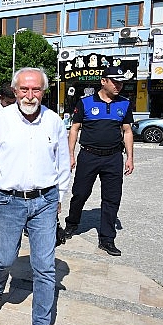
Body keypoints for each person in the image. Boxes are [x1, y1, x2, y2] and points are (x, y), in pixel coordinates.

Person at [0, 68, 70, 325]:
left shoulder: (53, 121)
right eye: (25, 90)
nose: (30, 96)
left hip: (45, 201)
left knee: (44, 266)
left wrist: (59, 196)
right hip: (8, 202)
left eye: (36, 89)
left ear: (44, 91)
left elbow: (63, 162)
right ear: (15, 91)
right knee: (5, 259)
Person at [64, 66, 134, 256]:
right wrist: (70, 155)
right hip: (89, 156)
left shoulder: (125, 104)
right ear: (103, 81)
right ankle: (71, 224)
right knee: (80, 193)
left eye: (121, 82)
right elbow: (74, 129)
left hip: (113, 158)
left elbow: (127, 131)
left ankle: (107, 239)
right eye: (115, 81)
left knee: (112, 199)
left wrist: (130, 158)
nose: (119, 85)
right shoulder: (85, 103)